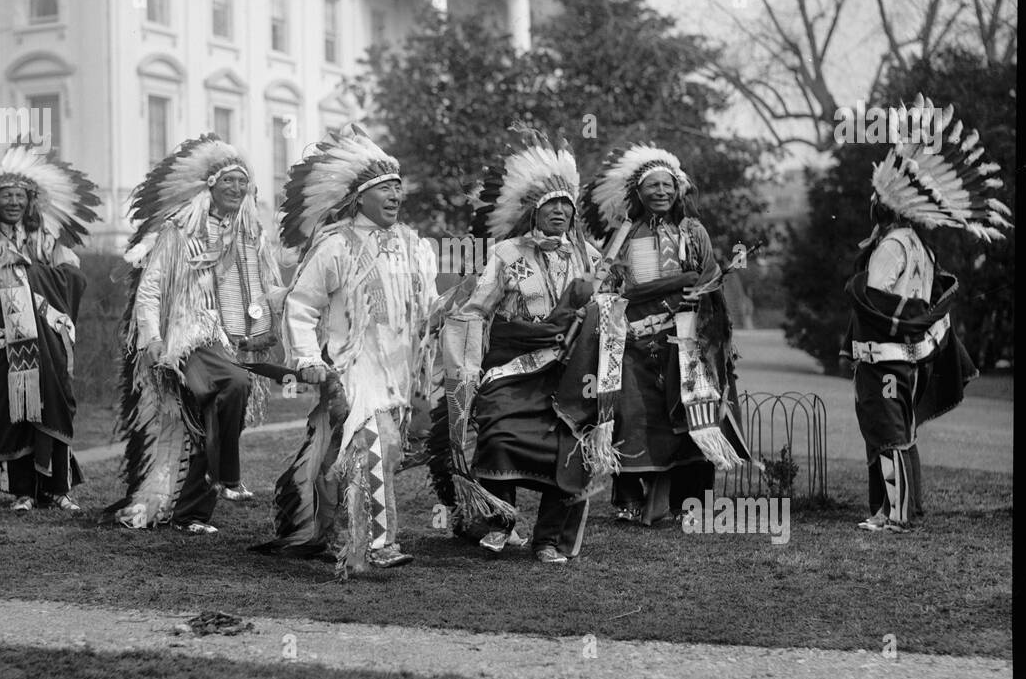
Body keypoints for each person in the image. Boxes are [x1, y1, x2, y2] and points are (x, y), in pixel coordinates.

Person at [253, 123, 437, 577]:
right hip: (352, 368)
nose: (396, 195)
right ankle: (374, 545)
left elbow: (427, 305)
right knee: (372, 445)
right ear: (360, 198)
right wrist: (309, 361)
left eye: (399, 188)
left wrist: (452, 308)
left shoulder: (415, 246)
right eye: (386, 189)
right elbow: (299, 306)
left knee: (381, 452)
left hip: (398, 369)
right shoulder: (335, 245)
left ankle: (327, 528)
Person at [844, 99, 1011, 532]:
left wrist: (855, 291)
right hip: (909, 359)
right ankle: (900, 510)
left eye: (874, 199)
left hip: (883, 358)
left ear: (886, 206)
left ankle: (894, 517)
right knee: (902, 434)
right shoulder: (921, 246)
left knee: (887, 434)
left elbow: (875, 301)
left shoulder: (892, 246)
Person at [440, 132, 608, 564]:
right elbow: (475, 310)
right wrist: (469, 367)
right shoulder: (505, 253)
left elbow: (609, 309)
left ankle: (547, 539)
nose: (559, 211)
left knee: (569, 450)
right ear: (533, 209)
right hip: (513, 369)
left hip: (569, 375)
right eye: (551, 204)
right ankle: (500, 523)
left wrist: (596, 308)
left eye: (566, 205)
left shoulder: (590, 257)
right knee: (498, 435)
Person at [106, 135, 281, 535]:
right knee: (233, 384)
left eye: (243, 183)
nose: (237, 189)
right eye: (228, 182)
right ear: (210, 187)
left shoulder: (252, 235)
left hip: (235, 341)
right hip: (190, 338)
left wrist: (295, 296)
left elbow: (268, 287)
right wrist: (151, 340)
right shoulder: (180, 231)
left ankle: (191, 514)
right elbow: (150, 289)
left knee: (206, 422)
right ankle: (228, 475)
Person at [581, 144, 752, 526]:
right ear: (637, 194)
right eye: (653, 186)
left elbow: (709, 279)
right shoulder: (626, 233)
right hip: (637, 345)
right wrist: (679, 280)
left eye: (668, 185)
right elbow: (617, 289)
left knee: (691, 419)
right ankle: (631, 499)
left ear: (679, 190)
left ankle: (687, 503)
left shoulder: (693, 231)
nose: (661, 192)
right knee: (636, 417)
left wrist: (702, 291)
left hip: (688, 343)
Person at [0, 144, 101, 513]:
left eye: (19, 196)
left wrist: (33, 273)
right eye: (6, 195)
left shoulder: (45, 239)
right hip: (4, 339)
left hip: (47, 337)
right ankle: (24, 491)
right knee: (13, 411)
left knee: (55, 404)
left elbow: (72, 273)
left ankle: (59, 488)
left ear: (30, 201)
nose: (13, 202)